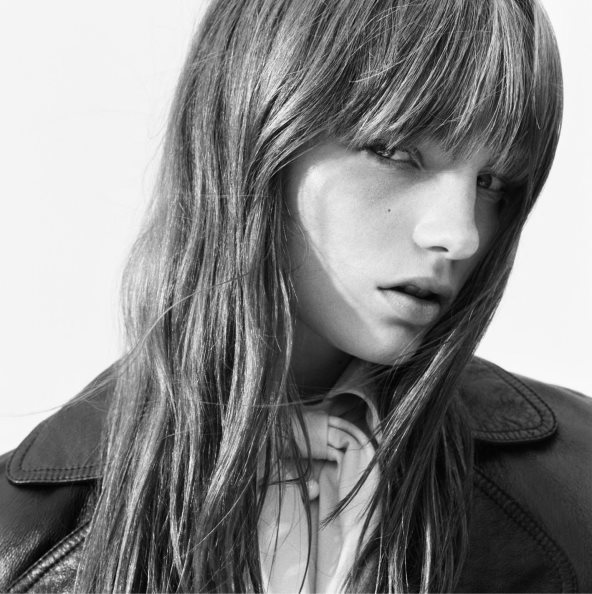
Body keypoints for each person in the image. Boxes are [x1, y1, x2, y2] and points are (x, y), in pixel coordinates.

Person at [0, 0, 590, 592]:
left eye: (492, 183)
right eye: (396, 151)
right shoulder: (19, 541)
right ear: (255, 132)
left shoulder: (579, 484)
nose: (460, 234)